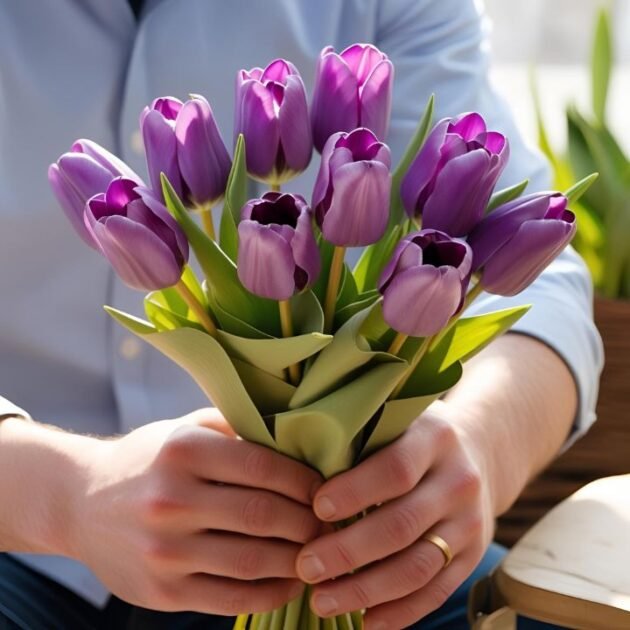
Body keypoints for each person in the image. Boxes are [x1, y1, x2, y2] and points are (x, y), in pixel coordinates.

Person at [0, 0, 603, 628]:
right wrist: (64, 498)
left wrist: (485, 442)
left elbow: (545, 286)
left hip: (341, 539)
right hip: (18, 540)